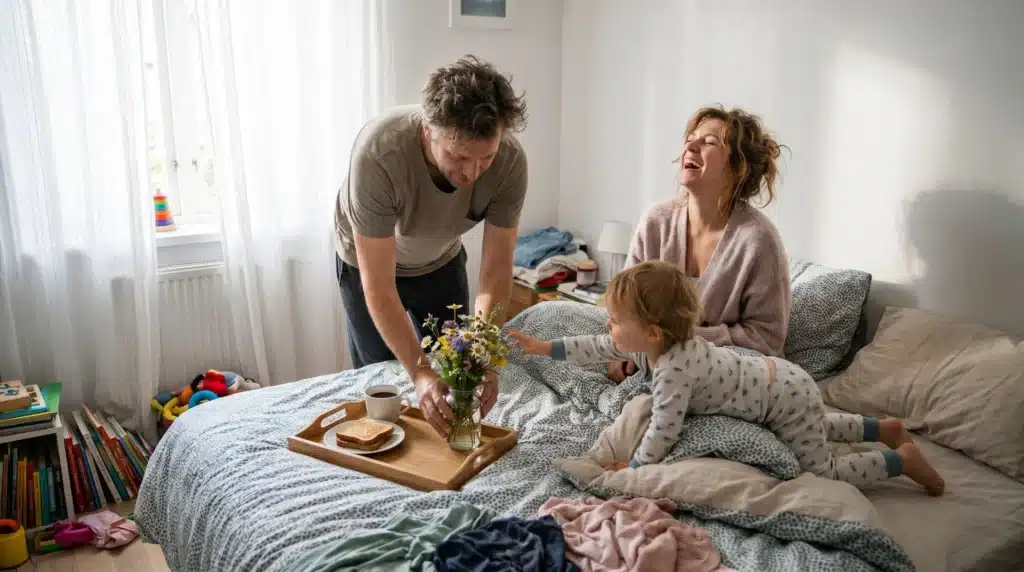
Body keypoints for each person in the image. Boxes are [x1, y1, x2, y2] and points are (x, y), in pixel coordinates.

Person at [511, 262, 945, 496]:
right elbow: (598, 346)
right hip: (784, 383)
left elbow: (664, 428)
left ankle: (899, 461)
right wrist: (545, 348)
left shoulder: (673, 371)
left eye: (615, 320)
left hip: (783, 395)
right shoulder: (654, 344)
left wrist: (637, 466)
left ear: (652, 331)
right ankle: (879, 428)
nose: (608, 326)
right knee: (816, 422)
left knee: (821, 471)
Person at [334, 55, 528, 437]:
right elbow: (380, 287)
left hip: (441, 259)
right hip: (367, 265)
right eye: (458, 157)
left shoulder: (510, 163)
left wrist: (484, 357)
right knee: (386, 380)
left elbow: (495, 274)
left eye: (485, 157)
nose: (472, 174)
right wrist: (420, 372)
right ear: (428, 133)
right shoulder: (379, 154)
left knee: (460, 371)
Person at [607, 106, 791, 382]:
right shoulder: (656, 221)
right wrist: (620, 352)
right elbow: (622, 305)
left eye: (709, 142)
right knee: (554, 316)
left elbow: (767, 341)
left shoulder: (759, 241)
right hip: (647, 355)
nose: (690, 145)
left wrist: (682, 339)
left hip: (721, 373)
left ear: (736, 169)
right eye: (690, 138)